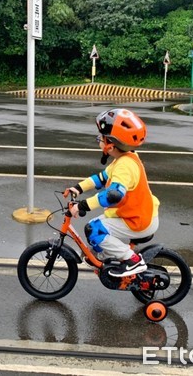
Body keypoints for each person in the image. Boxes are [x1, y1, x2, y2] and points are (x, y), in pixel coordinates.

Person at [65, 108, 159, 277]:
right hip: (135, 214)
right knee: (93, 227)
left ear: (111, 144)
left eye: (101, 137)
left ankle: (132, 260)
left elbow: (113, 195)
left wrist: (83, 205)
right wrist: (78, 188)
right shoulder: (124, 158)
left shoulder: (125, 166)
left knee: (95, 230)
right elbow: (101, 178)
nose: (99, 140)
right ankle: (107, 256)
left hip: (137, 220)